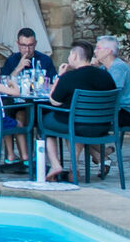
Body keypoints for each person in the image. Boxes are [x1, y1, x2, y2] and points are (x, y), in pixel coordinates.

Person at [44, 39, 119, 181]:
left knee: (45, 122)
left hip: (77, 125)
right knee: (74, 122)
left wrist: (60, 76)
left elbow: (54, 101)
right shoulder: (106, 75)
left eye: (69, 54)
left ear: (74, 56)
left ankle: (55, 165)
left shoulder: (68, 77)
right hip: (102, 126)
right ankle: (74, 168)